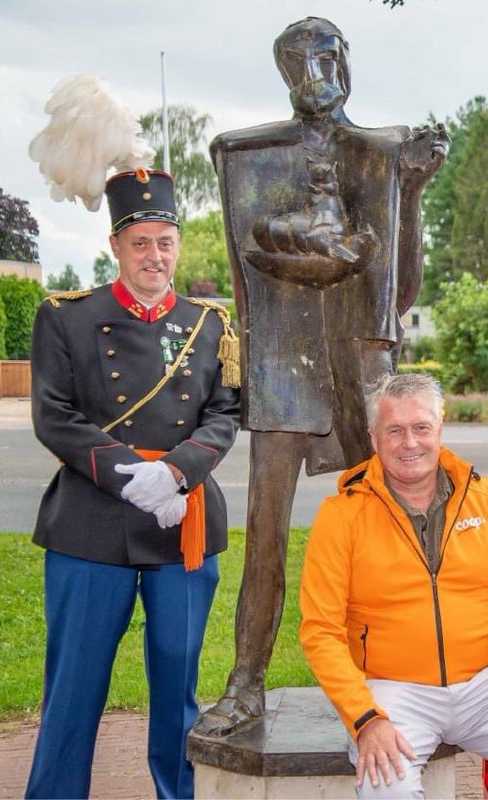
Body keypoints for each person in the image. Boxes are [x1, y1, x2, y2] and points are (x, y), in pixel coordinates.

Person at [196, 16, 449, 736]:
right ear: (284, 73)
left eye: (327, 56)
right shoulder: (253, 156)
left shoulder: (380, 155)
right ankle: (246, 683)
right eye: (300, 62)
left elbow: (399, 295)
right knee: (265, 529)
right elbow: (250, 275)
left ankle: (397, 678)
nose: (316, 73)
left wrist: (415, 194)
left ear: (346, 63)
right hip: (281, 354)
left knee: (390, 526)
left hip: (360, 361)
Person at [26, 168, 240, 799]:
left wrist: (175, 472)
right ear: (116, 246)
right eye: (140, 242)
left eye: (165, 242)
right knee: (74, 688)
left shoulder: (209, 326)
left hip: (183, 525)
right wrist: (130, 476)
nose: (155, 255)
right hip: (89, 524)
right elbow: (54, 415)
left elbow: (224, 414)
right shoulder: (67, 318)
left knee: (177, 687)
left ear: (178, 245)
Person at [298, 373, 488, 799]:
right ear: (373, 437)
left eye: (421, 428)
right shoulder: (341, 515)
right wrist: (365, 717)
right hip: (393, 692)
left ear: (440, 428)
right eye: (395, 430)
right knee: (385, 784)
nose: (410, 443)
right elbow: (320, 630)